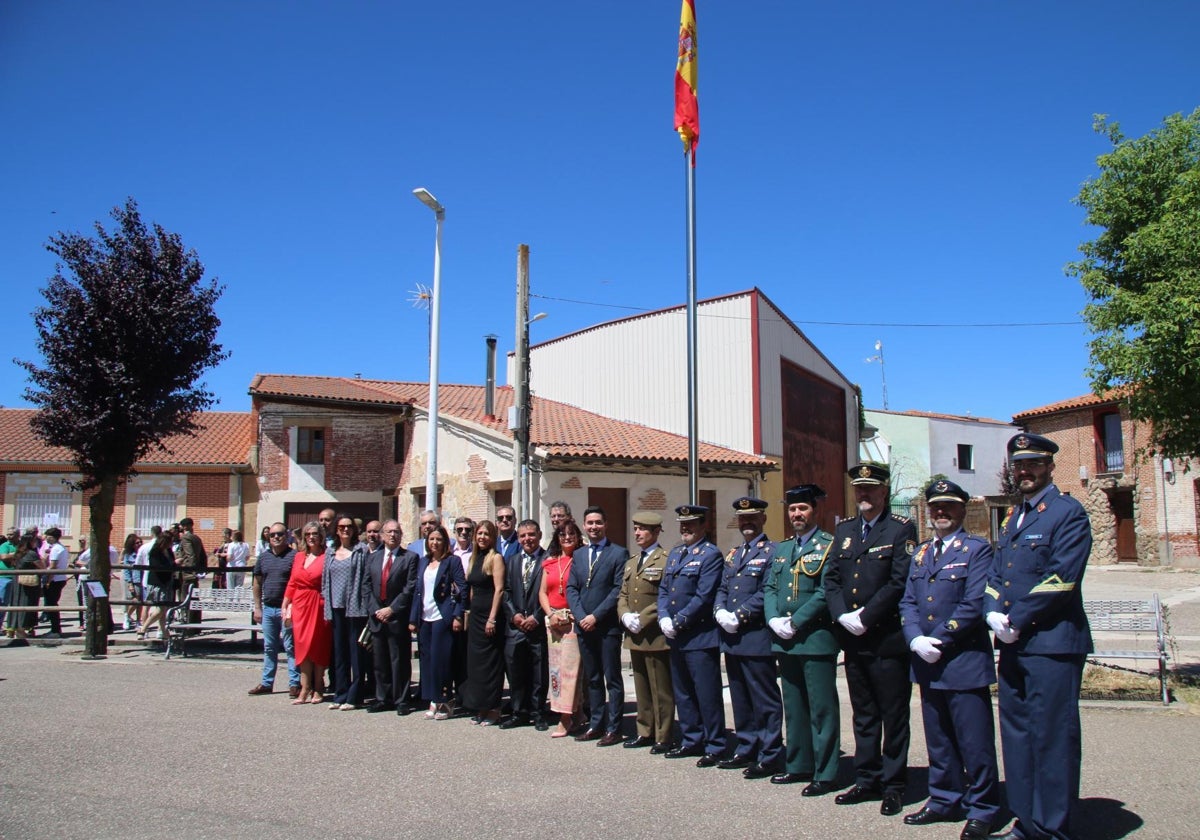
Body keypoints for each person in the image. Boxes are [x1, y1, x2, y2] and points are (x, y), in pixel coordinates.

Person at [985, 434, 1093, 840]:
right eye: (1018, 465)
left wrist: (1016, 618)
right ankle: (1026, 822)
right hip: (1013, 644)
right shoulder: (1015, 517)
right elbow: (998, 572)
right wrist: (992, 611)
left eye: (1032, 464)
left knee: (1052, 740)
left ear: (1050, 467)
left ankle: (1053, 829)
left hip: (1052, 644)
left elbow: (1062, 577)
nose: (1024, 471)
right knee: (1017, 738)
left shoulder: (1067, 513)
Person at [899, 479, 999, 840]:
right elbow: (908, 600)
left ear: (962, 509)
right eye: (935, 507)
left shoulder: (977, 550)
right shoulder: (922, 552)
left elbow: (973, 603)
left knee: (974, 741)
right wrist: (914, 638)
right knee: (938, 738)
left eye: (949, 506)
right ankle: (943, 799)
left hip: (962, 659)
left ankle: (983, 807)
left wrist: (938, 638)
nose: (941, 512)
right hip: (927, 660)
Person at [825, 462, 917, 817]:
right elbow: (832, 578)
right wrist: (841, 615)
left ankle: (894, 785)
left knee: (893, 715)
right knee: (863, 714)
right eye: (858, 489)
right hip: (854, 638)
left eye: (870, 488)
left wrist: (866, 616)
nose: (863, 494)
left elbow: (899, 581)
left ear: (884, 492)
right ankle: (867, 778)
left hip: (886, 639)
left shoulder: (900, 529)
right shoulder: (846, 530)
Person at [763, 484, 841, 795]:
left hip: (815, 637)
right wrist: (772, 619)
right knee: (793, 705)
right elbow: (770, 587)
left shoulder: (829, 545)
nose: (797, 514)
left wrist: (796, 621)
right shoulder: (782, 549)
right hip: (785, 639)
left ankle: (826, 771)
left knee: (821, 708)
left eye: (803, 509)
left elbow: (826, 591)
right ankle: (798, 764)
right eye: (793, 509)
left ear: (815, 511)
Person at [714, 496, 784, 778]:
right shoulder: (733, 554)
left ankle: (770, 753)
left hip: (755, 637)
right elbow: (722, 586)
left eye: (753, 517)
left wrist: (738, 615)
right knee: (740, 696)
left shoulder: (773, 552)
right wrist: (719, 611)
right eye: (743, 518)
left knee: (764, 698)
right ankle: (746, 746)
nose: (747, 522)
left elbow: (768, 590)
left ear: (763, 519)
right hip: (732, 639)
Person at [658, 504, 726, 766]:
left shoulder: (711, 555)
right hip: (676, 635)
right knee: (683, 692)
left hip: (699, 636)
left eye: (692, 523)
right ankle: (691, 739)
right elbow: (664, 589)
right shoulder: (675, 554)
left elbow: (704, 595)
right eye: (682, 524)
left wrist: (679, 620)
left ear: (703, 526)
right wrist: (664, 616)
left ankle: (716, 744)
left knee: (706, 693)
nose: (686, 528)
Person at [567, 505, 629, 746]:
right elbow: (572, 588)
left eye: (598, 523)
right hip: (584, 626)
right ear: (584, 526)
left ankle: (614, 728)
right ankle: (595, 724)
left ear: (605, 525)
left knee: (612, 678)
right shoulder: (579, 554)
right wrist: (582, 615)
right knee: (592, 678)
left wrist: (595, 616)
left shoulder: (618, 553)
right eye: (590, 523)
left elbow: (617, 590)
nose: (594, 527)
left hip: (607, 627)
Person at [617, 511, 673, 753]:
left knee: (660, 689)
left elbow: (667, 595)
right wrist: (625, 615)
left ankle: (664, 735)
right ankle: (645, 730)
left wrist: (644, 618)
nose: (637, 533)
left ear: (656, 532)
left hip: (654, 635)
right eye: (636, 528)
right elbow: (623, 595)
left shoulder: (666, 559)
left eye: (643, 529)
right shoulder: (632, 562)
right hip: (634, 634)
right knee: (641, 687)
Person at [362, 519, 419, 714]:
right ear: (382, 535)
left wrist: (392, 609)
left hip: (397, 617)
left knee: (399, 660)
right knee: (380, 661)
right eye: (389, 532)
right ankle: (382, 698)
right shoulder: (372, 558)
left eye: (396, 532)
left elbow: (410, 587)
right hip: (377, 616)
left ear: (401, 535)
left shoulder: (409, 557)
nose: (393, 535)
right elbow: (366, 586)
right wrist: (375, 610)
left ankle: (401, 699)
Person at [408, 525, 465, 719]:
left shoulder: (452, 561)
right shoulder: (423, 562)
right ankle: (433, 698)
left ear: (445, 542)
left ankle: (446, 699)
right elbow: (417, 592)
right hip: (425, 617)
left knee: (442, 660)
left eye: (439, 539)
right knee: (427, 660)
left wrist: (457, 615)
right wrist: (413, 619)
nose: (435, 542)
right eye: (431, 539)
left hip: (443, 616)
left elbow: (462, 590)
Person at [500, 519, 548, 729]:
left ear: (538, 535)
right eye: (522, 536)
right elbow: (506, 591)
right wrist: (514, 615)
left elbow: (550, 594)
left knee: (538, 673)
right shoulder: (511, 561)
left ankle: (538, 713)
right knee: (515, 671)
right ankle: (519, 712)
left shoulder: (548, 559)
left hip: (537, 626)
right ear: (518, 539)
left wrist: (537, 617)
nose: (527, 539)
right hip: (516, 626)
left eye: (531, 534)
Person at [539, 520, 586, 737]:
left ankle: (565, 718)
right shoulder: (549, 563)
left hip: (572, 621)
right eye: (562, 534)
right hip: (554, 622)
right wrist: (550, 614)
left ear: (577, 537)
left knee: (571, 672)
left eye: (571, 534)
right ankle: (577, 714)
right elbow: (542, 592)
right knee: (556, 671)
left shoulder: (581, 560)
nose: (567, 538)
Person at [322, 515, 371, 710]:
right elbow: (326, 580)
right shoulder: (331, 551)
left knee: (356, 652)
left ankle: (355, 696)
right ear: (336, 529)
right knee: (339, 652)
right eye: (341, 526)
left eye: (349, 527)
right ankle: (340, 693)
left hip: (355, 607)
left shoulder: (361, 550)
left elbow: (366, 578)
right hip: (336, 606)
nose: (345, 530)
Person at [462, 519, 507, 725]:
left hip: (490, 617)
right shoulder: (474, 558)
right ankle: (480, 707)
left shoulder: (495, 558)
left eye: (486, 534)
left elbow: (499, 589)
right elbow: (472, 588)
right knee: (476, 665)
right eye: (479, 534)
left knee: (491, 664)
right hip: (476, 618)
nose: (482, 537)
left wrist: (492, 618)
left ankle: (494, 708)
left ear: (492, 537)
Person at [282, 522, 332, 705]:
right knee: (302, 647)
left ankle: (318, 686)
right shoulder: (298, 557)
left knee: (318, 646)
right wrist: (286, 602)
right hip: (300, 604)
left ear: (321, 537)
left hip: (318, 603)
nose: (312, 537)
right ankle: (305, 688)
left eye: (315, 534)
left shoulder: (327, 556)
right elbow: (292, 582)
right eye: (308, 534)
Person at [249, 523, 300, 698]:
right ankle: (266, 682)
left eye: (279, 534)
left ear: (286, 535)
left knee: (290, 647)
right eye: (272, 535)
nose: (276, 537)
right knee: (269, 647)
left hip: (287, 609)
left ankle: (295, 683)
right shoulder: (263, 558)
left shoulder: (294, 556)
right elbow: (257, 583)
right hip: (269, 609)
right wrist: (257, 607)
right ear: (268, 537)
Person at [4, 534, 45, 645]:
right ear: (30, 542)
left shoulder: (18, 553)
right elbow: (42, 567)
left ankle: (13, 628)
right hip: (28, 583)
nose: (36, 543)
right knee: (26, 604)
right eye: (34, 541)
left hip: (17, 582)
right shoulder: (31, 554)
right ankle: (21, 630)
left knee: (15, 604)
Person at [138, 532, 176, 642]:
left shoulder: (168, 551)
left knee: (163, 610)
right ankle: (143, 628)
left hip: (167, 582)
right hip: (157, 582)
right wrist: (172, 565)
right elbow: (157, 567)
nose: (172, 543)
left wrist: (174, 564)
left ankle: (165, 633)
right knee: (160, 609)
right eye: (170, 541)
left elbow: (171, 563)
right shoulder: (155, 552)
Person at [175, 518, 207, 624]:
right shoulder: (196, 538)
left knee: (185, 597)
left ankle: (187, 621)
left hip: (187, 573)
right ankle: (195, 622)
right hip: (195, 572)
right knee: (194, 597)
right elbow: (203, 555)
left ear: (184, 527)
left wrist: (189, 570)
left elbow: (190, 555)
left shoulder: (186, 538)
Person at [40, 527, 70, 638]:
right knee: (51, 604)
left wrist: (48, 580)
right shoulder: (60, 548)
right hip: (59, 579)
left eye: (48, 536)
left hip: (54, 580)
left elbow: (53, 566)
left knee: (51, 605)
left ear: (53, 537)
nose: (46, 538)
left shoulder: (56, 549)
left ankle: (55, 630)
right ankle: (54, 628)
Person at [120, 534, 143, 632]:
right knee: (135, 600)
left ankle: (138, 620)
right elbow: (126, 570)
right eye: (137, 543)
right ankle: (127, 616)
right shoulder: (128, 555)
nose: (139, 544)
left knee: (141, 602)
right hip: (134, 580)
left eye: (140, 542)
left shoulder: (142, 553)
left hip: (143, 579)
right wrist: (130, 583)